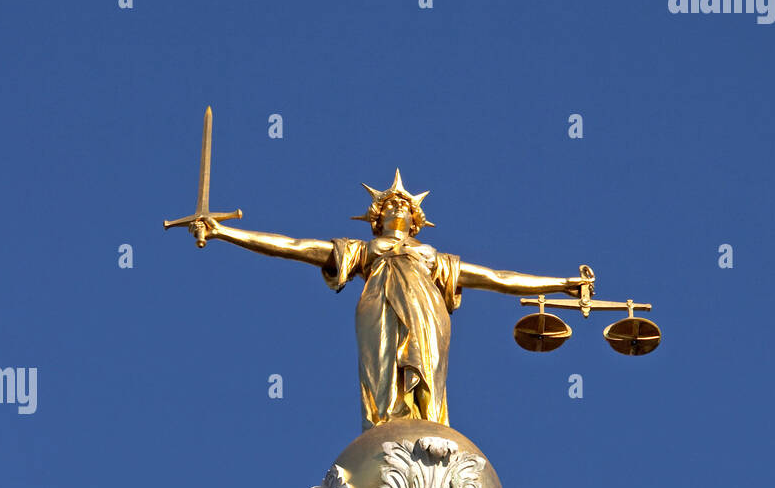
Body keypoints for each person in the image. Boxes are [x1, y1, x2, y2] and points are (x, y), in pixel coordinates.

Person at [191, 170, 590, 431]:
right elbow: (296, 247)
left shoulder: (433, 257)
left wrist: (561, 284)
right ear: (376, 217)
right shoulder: (365, 251)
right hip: (378, 305)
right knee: (382, 378)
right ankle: (386, 425)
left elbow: (498, 278)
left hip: (428, 312)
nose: (397, 207)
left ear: (416, 220)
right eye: (389, 205)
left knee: (428, 378)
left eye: (404, 205)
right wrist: (227, 233)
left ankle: (428, 427)